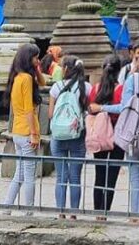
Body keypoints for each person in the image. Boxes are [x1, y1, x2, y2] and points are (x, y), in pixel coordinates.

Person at [90, 50, 139, 221]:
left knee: (134, 174)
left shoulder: (133, 79)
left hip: (133, 130)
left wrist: (102, 108)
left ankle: (133, 215)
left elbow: (124, 108)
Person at [2, 43, 44, 212]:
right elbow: (28, 108)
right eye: (35, 57)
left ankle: (6, 206)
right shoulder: (26, 79)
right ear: (28, 58)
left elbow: (42, 81)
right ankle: (29, 210)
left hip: (17, 131)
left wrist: (37, 68)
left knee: (19, 174)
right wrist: (34, 134)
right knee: (29, 176)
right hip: (27, 132)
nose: (38, 59)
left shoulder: (18, 77)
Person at [48, 56, 90, 218]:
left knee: (61, 176)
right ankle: (74, 213)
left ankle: (60, 212)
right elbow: (87, 111)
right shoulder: (86, 87)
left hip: (58, 136)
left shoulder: (56, 87)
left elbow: (51, 114)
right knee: (75, 177)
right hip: (77, 136)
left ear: (65, 69)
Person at [89, 54, 124, 219]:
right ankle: (105, 210)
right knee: (112, 177)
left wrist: (100, 108)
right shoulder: (121, 90)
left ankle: (97, 211)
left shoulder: (95, 88)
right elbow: (124, 110)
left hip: (99, 133)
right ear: (119, 71)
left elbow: (90, 108)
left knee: (99, 174)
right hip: (117, 135)